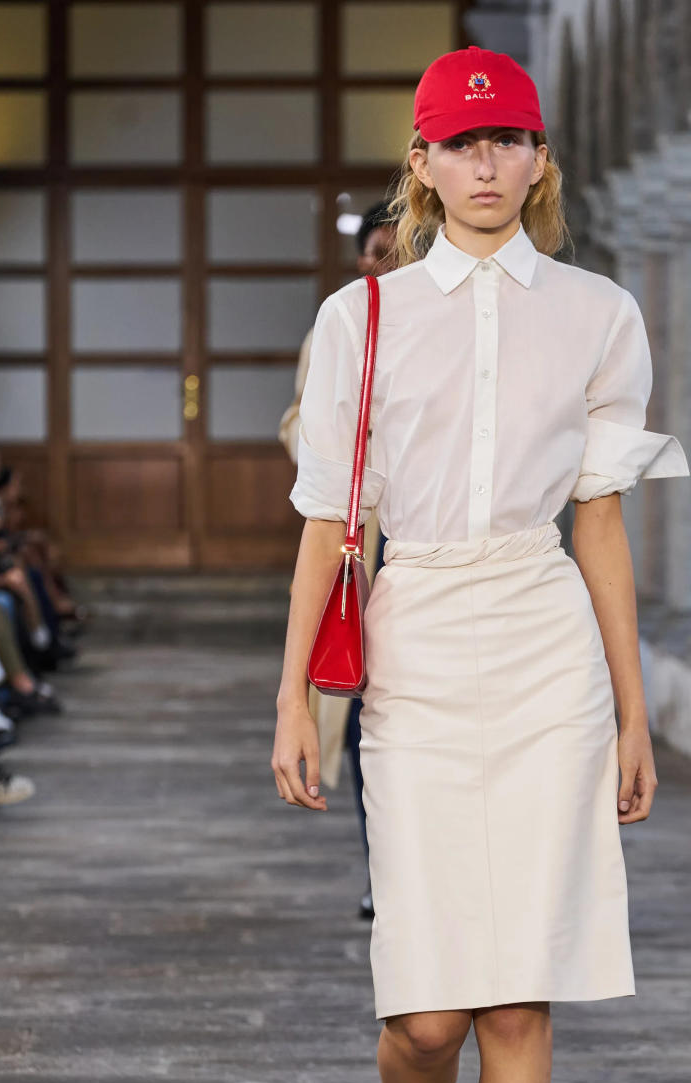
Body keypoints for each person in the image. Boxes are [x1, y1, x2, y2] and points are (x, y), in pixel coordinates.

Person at [271, 44, 690, 1083]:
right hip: (417, 653)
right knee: (427, 1020)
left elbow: (603, 526)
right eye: (461, 144)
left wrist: (634, 711)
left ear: (541, 156)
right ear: (424, 162)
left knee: (518, 997)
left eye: (509, 140)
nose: (487, 165)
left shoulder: (599, 313)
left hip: (544, 645)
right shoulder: (362, 320)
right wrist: (295, 700)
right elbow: (333, 526)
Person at [278, 204, 399, 918]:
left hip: (427, 552)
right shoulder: (340, 327)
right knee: (361, 723)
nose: (383, 262)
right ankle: (380, 868)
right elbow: (297, 427)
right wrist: (354, 441)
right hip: (358, 554)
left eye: (397, 250)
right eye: (375, 251)